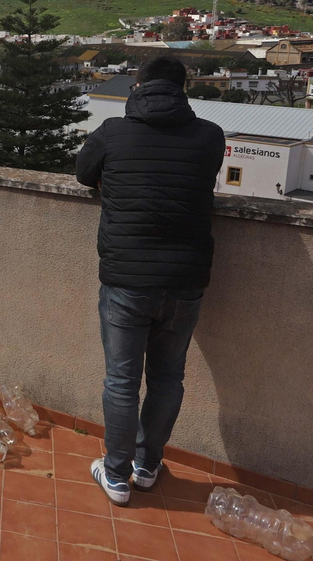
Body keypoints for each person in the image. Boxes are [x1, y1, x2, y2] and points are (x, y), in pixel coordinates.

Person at [74, 56, 225, 505]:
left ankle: (116, 476)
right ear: (184, 88)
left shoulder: (112, 132)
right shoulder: (210, 136)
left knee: (121, 381)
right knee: (167, 379)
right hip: (184, 280)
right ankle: (147, 465)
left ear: (136, 85)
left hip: (126, 276)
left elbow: (83, 173)